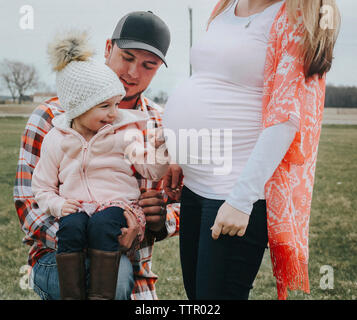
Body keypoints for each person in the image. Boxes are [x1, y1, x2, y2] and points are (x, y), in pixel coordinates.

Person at [163, 0, 340, 300]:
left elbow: (286, 117)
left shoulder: (298, 17)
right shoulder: (226, 6)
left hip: (235, 192)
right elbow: (208, 80)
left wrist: (241, 201)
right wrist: (182, 153)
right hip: (195, 188)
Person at [14, 11, 180, 300]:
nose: (133, 72)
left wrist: (157, 222)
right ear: (107, 48)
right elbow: (29, 202)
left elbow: (190, 204)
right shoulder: (51, 118)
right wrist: (92, 236)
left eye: (148, 65)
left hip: (136, 271)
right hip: (58, 256)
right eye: (127, 57)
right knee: (112, 281)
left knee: (119, 278)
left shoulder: (160, 126)